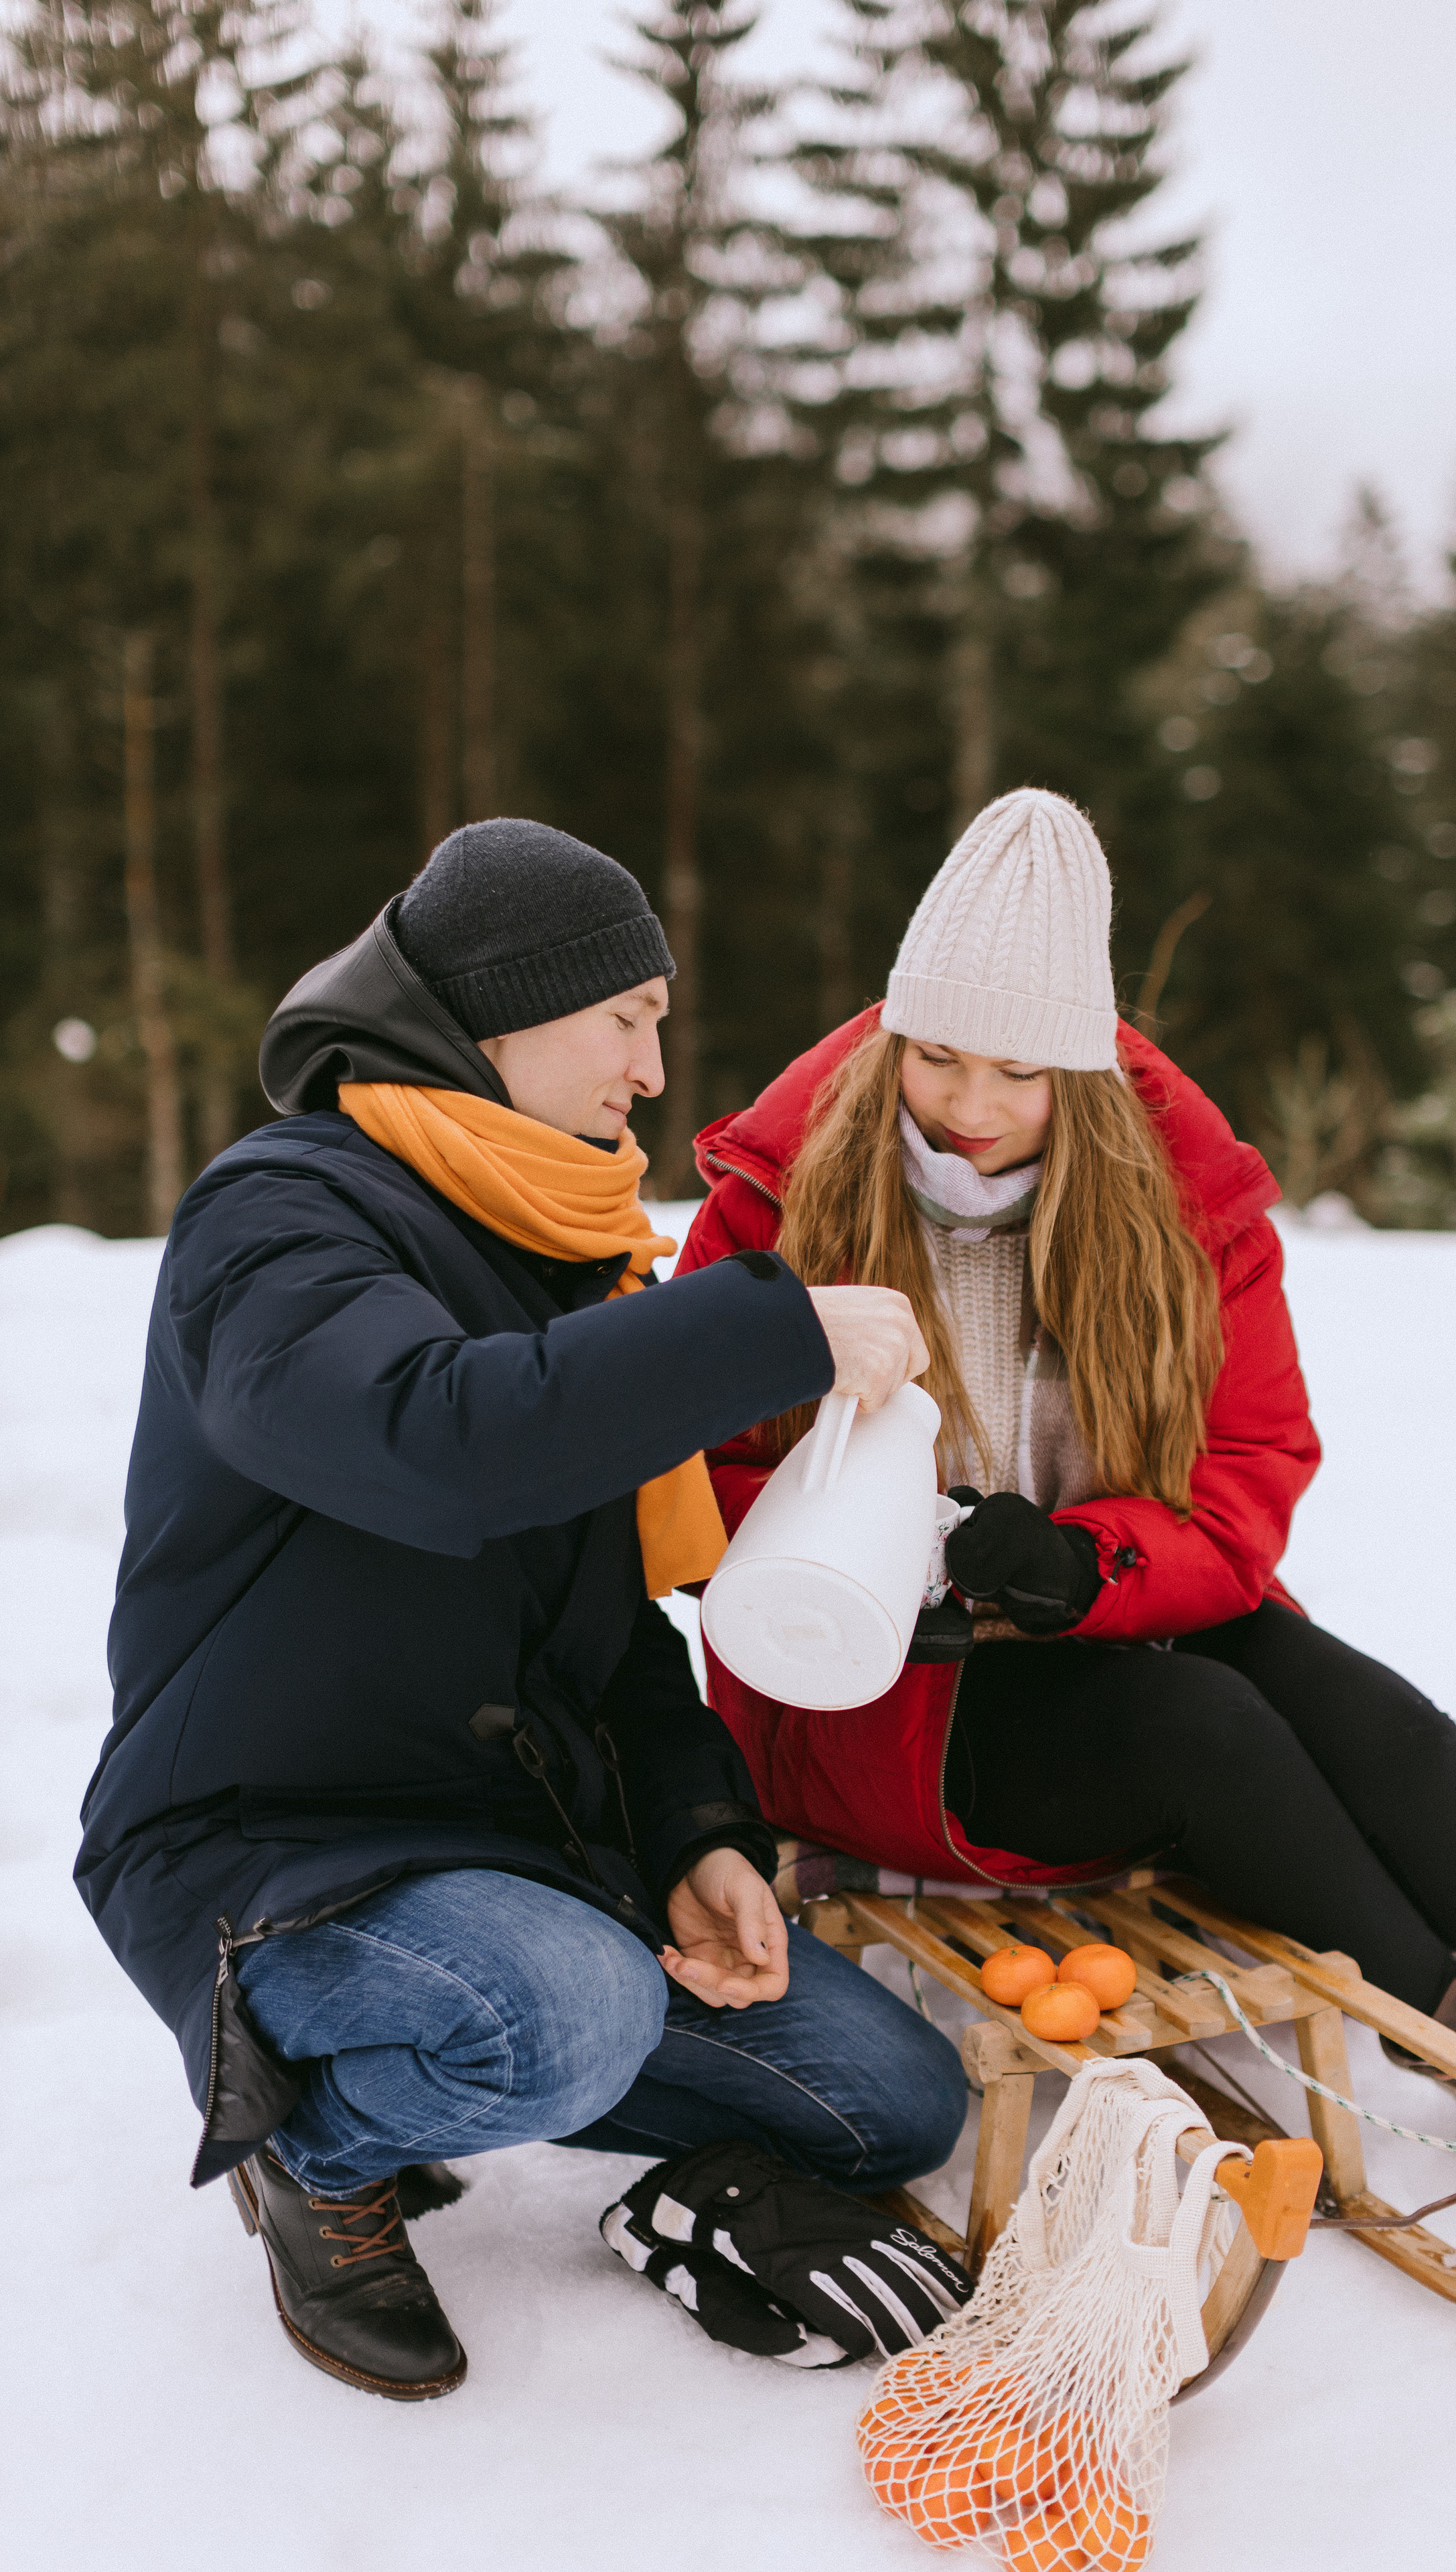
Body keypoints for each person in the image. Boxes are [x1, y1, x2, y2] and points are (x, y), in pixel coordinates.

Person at [676, 787, 1456, 2223]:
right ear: (891, 1036)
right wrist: (903, 1548)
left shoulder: (1174, 1203)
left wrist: (1082, 1566)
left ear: (1085, 1072)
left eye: (1017, 1072)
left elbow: (1244, 1482)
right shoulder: (775, 1199)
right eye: (935, 1057)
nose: (967, 1108)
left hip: (1098, 1610)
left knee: (1353, 1707)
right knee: (1204, 1731)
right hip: (877, 1694)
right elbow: (698, 1478)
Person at [76, 818, 969, 2402]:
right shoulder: (278, 1221)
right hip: (275, 1844)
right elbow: (440, 1442)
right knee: (564, 2009)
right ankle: (323, 2156)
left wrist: (697, 1834)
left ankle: (500, 2026)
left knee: (887, 2102)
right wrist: (770, 1331)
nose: (649, 1068)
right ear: (501, 1012)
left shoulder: (564, 1254)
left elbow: (607, 1620)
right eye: (625, 1019)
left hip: (511, 1842)